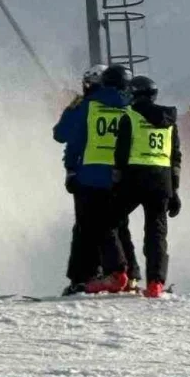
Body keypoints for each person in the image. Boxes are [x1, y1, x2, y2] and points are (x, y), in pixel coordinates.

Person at [54, 64, 141, 295]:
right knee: (119, 226)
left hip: (89, 176)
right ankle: (131, 275)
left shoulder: (87, 106)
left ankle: (85, 277)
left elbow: (61, 134)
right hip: (123, 178)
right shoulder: (132, 106)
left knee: (86, 228)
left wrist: (71, 170)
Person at [113, 76, 182, 298]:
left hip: (134, 177)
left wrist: (117, 181)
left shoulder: (129, 117)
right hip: (162, 181)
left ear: (134, 94)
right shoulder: (170, 121)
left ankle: (123, 271)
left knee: (110, 220)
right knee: (156, 233)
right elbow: (175, 157)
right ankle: (156, 283)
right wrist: (175, 191)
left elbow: (121, 155)